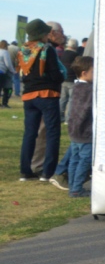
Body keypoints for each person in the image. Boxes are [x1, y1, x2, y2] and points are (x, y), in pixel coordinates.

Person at [17, 20, 65, 183]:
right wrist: (61, 76)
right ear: (41, 34)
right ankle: (47, 172)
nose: (47, 36)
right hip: (47, 94)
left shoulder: (23, 50)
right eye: (45, 33)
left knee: (30, 134)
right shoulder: (47, 50)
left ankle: (25, 171)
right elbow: (54, 73)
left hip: (29, 96)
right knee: (52, 133)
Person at [64, 56, 94, 198]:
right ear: (84, 72)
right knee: (84, 160)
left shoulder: (76, 87)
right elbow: (85, 110)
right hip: (84, 131)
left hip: (74, 131)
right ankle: (76, 188)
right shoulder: (88, 90)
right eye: (93, 71)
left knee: (75, 159)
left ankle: (72, 187)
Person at [0, 40, 13, 107]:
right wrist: (13, 71)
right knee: (6, 88)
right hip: (1, 72)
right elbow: (8, 64)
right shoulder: (5, 52)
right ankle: (4, 103)